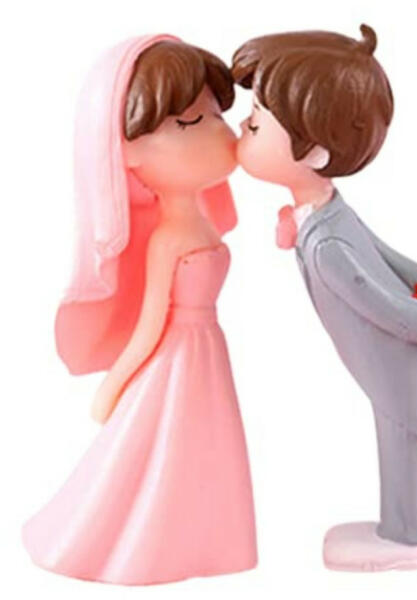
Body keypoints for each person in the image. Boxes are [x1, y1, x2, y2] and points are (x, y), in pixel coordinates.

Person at [232, 24, 417, 571]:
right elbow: (391, 258)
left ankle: (408, 539)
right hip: (394, 356)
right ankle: (416, 525)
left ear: (314, 151)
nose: (241, 128)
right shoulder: (328, 212)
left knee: (400, 442)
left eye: (254, 123)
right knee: (402, 443)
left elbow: (390, 309)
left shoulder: (329, 244)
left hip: (397, 359)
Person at [23, 35, 257, 585]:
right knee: (164, 448)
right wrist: (114, 385)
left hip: (208, 352)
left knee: (205, 449)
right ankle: (147, 544)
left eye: (216, 115)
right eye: (190, 122)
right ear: (127, 153)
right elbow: (151, 324)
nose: (221, 133)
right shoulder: (167, 239)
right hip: (178, 356)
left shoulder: (199, 221)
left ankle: (205, 540)